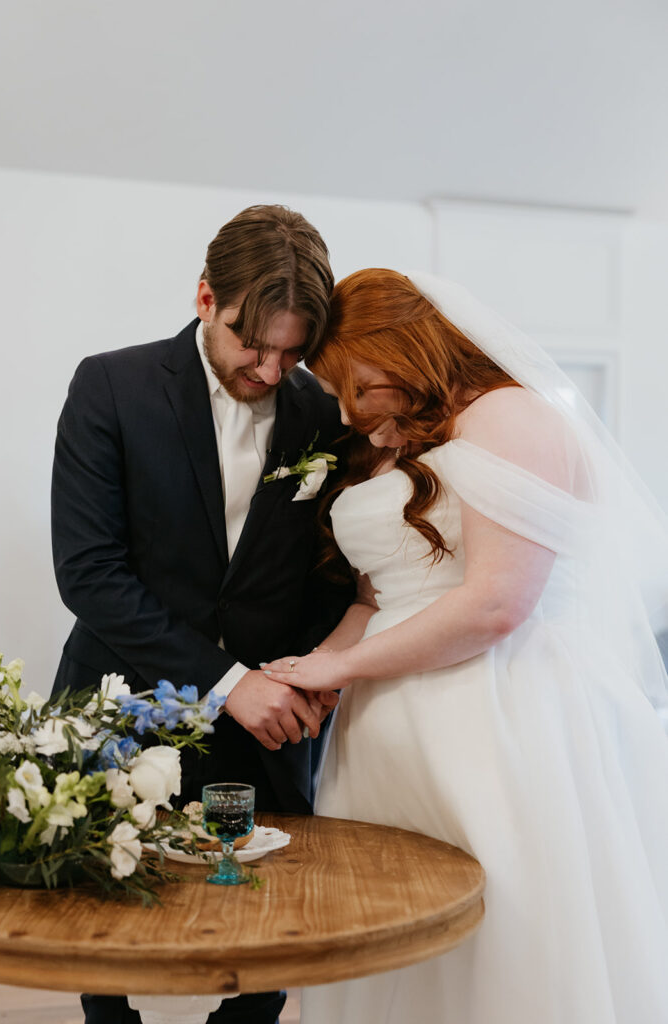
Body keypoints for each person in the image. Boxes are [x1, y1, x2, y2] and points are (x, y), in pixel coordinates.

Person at [264, 269, 668, 1024]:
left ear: (403, 347)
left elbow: (495, 603)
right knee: (392, 928)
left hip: (498, 708)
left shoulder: (510, 415)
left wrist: (344, 665)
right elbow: (375, 600)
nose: (349, 411)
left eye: (357, 384)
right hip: (387, 726)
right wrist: (312, 671)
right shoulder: (390, 442)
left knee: (505, 923)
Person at [50, 205, 352, 1024]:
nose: (270, 369)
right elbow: (89, 572)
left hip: (269, 722)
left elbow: (330, 571)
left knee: (269, 930)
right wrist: (226, 682)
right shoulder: (110, 385)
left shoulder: (321, 413)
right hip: (123, 698)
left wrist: (303, 675)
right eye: (252, 344)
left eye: (292, 352)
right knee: (103, 927)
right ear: (205, 297)